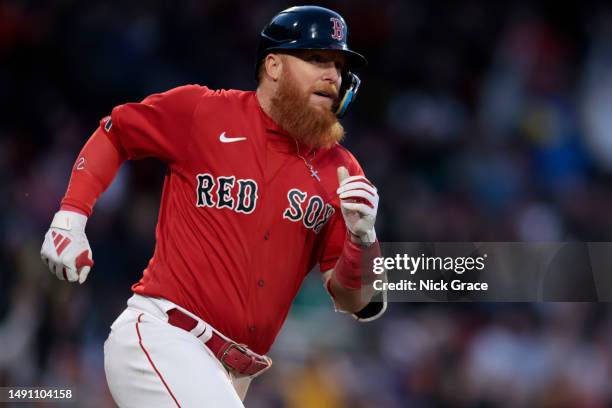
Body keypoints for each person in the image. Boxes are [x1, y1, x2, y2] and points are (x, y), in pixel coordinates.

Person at [40, 5, 386, 407]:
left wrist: (364, 238)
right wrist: (70, 215)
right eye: (316, 58)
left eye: (339, 64)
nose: (333, 74)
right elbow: (116, 132)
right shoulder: (205, 111)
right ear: (273, 66)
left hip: (233, 374)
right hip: (164, 337)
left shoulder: (340, 170)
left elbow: (355, 300)